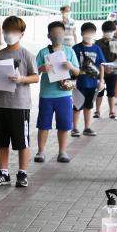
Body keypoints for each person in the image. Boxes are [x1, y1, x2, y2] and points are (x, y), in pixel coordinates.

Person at [0, 16, 39, 188]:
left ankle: (22, 173)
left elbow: (36, 77)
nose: (10, 34)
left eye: (14, 31)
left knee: (22, 140)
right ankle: (3, 172)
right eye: (7, 31)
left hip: (19, 104)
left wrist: (22, 78)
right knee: (0, 140)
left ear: (21, 33)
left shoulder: (27, 55)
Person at [34, 21, 80, 164]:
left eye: (60, 33)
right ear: (49, 35)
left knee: (64, 125)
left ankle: (62, 152)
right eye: (54, 33)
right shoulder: (43, 52)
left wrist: (71, 66)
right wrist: (41, 68)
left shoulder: (69, 51)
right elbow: (33, 72)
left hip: (64, 95)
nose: (57, 36)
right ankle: (41, 151)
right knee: (43, 125)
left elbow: (78, 72)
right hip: (46, 95)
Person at [72, 23, 106, 137]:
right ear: (81, 33)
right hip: (79, 83)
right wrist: (73, 80)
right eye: (86, 32)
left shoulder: (96, 48)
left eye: (91, 33)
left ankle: (87, 127)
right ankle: (75, 128)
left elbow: (101, 65)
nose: (89, 35)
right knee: (77, 106)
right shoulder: (76, 48)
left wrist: (101, 80)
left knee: (88, 106)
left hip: (92, 83)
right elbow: (72, 65)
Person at [95, 21, 117, 119]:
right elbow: (96, 58)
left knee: (111, 92)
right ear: (103, 31)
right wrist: (103, 68)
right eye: (106, 31)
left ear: (114, 31)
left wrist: (111, 67)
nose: (108, 32)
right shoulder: (98, 43)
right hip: (100, 71)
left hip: (113, 71)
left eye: (110, 30)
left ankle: (112, 111)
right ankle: (97, 111)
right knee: (99, 91)